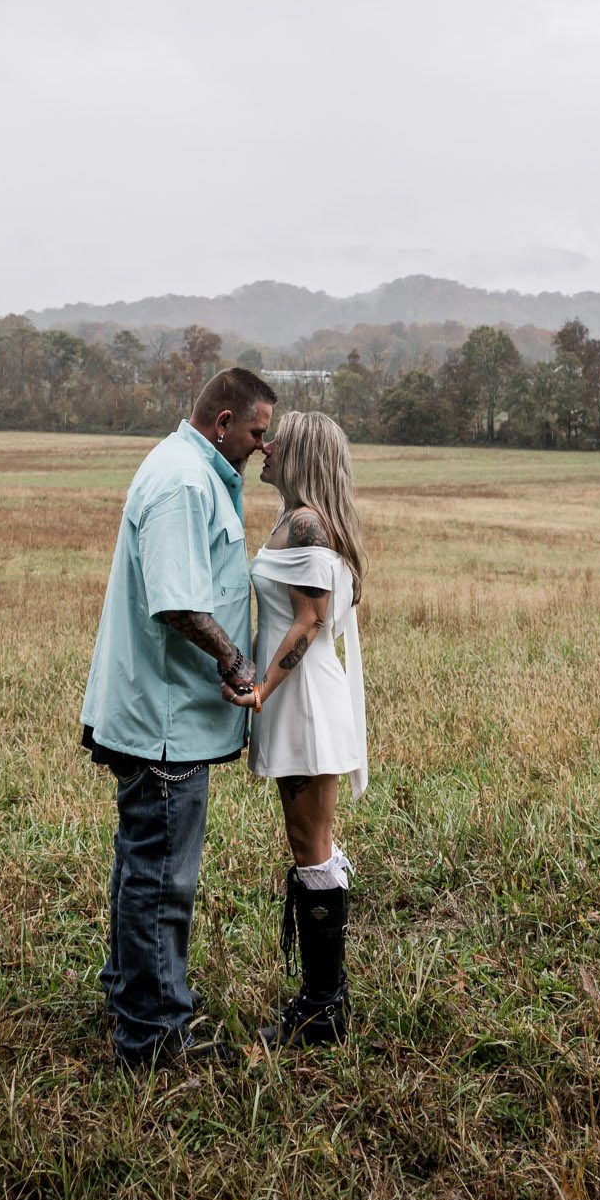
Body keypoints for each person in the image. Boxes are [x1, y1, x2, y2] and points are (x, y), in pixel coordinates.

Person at [80, 364, 276, 1069]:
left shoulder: (196, 472)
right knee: (162, 879)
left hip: (166, 714)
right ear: (223, 423)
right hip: (164, 721)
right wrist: (236, 662)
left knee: (143, 866)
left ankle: (130, 998)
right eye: (256, 433)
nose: (262, 447)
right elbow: (177, 603)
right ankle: (154, 1038)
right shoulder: (183, 483)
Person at [227, 407, 367, 1047]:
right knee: (305, 838)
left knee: (310, 843)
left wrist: (261, 688)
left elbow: (310, 621)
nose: (267, 445)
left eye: (278, 440)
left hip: (304, 699)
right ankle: (322, 997)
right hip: (295, 698)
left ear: (302, 453)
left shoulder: (307, 523)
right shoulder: (293, 519)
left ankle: (321, 1007)